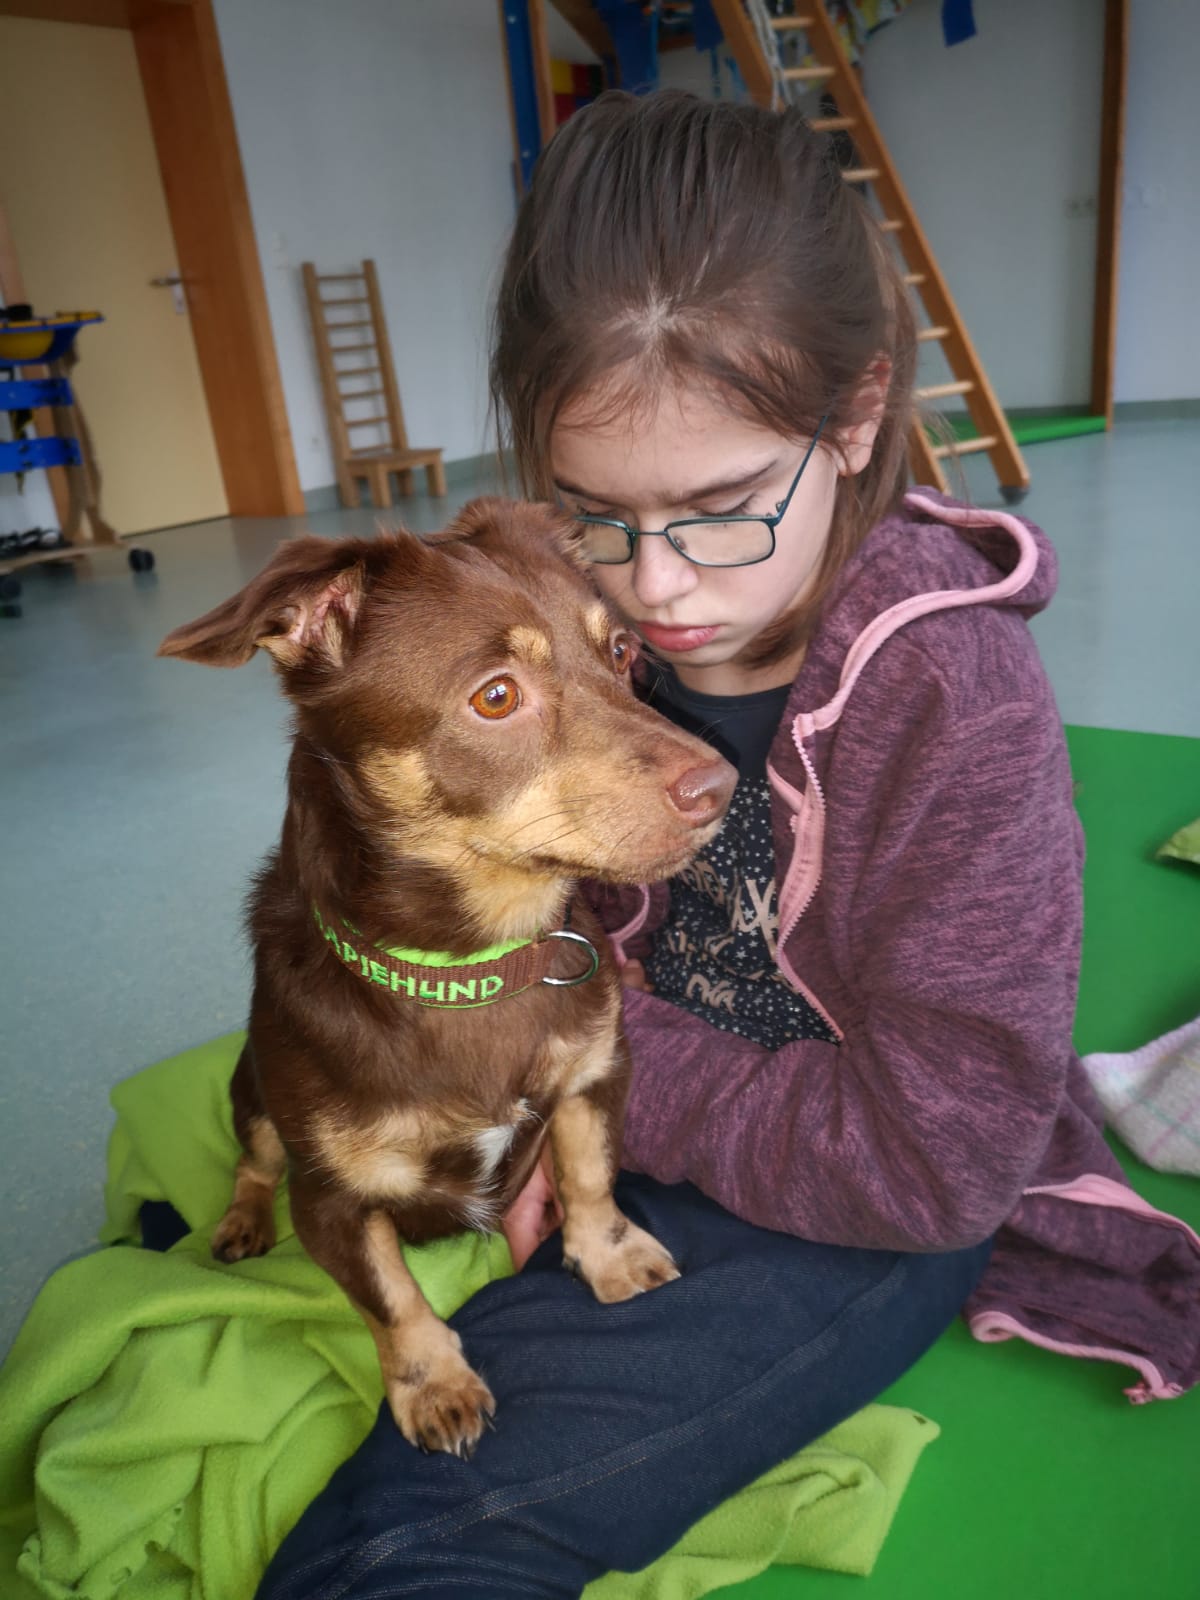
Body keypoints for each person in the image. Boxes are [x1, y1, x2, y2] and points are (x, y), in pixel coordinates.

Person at [257, 90, 1198, 1599]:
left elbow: (940, 1163)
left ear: (854, 415)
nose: (661, 588)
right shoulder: (576, 619)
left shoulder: (958, 708)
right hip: (599, 1113)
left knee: (417, 1554)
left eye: (723, 509)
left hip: (854, 1195)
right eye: (597, 515)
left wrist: (581, 1086)